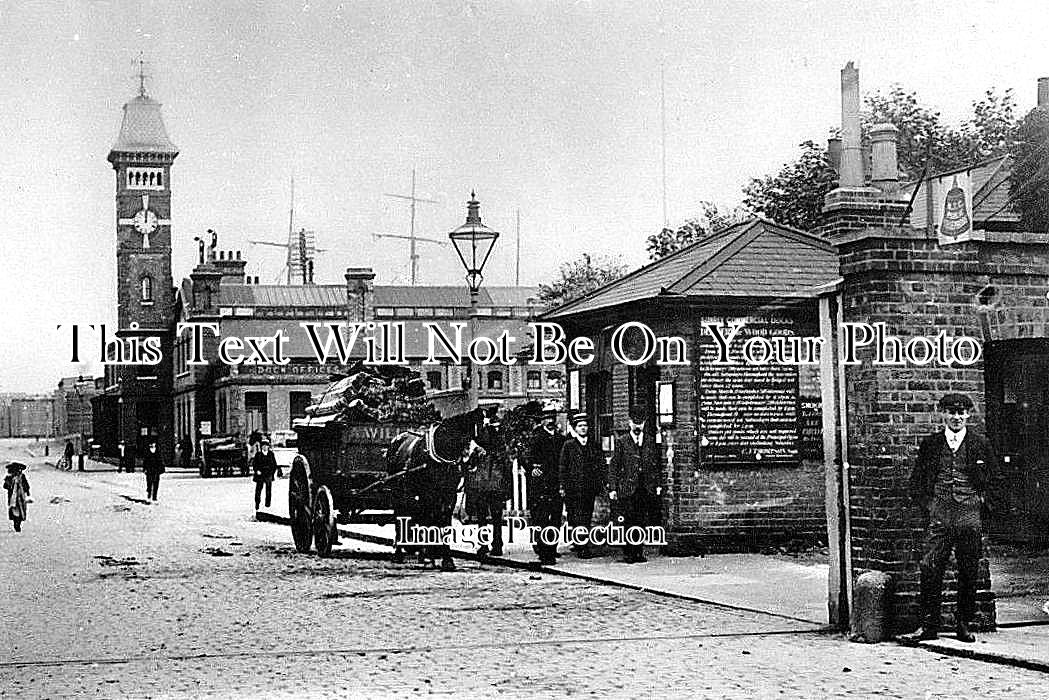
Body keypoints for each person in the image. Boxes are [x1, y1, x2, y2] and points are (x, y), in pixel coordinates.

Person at [899, 393, 995, 644]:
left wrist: (981, 503)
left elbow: (995, 480)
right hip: (940, 515)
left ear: (968, 415)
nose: (957, 417)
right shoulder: (931, 444)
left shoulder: (979, 444)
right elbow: (917, 483)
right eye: (952, 412)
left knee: (968, 569)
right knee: (930, 567)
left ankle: (962, 623)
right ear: (943, 414)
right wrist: (930, 506)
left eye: (962, 413)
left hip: (968, 516)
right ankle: (929, 624)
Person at [607, 406, 662, 563]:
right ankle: (628, 552)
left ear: (644, 423)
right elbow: (614, 466)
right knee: (628, 520)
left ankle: (638, 551)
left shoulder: (650, 441)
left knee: (641, 520)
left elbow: (654, 464)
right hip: (627, 488)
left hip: (644, 487)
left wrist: (657, 484)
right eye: (635, 422)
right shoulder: (621, 442)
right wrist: (613, 487)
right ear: (629, 423)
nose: (637, 426)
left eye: (640, 423)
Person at [464, 408, 512, 558]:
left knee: (489, 514)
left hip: (489, 480)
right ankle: (490, 544)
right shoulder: (487, 435)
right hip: (487, 481)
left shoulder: (490, 434)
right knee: (488, 514)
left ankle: (491, 544)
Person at [560, 412, 605, 558]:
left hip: (588, 488)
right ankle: (580, 545)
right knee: (575, 516)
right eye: (580, 426)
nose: (583, 428)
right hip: (573, 488)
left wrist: (599, 484)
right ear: (575, 428)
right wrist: (563, 486)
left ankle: (581, 543)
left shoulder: (594, 445)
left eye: (585, 425)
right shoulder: (569, 446)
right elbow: (563, 467)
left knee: (585, 516)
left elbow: (600, 465)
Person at [526, 403, 565, 565]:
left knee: (555, 517)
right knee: (541, 518)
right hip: (540, 485)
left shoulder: (561, 439)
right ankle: (543, 551)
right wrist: (531, 469)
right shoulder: (535, 438)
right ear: (541, 421)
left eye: (552, 418)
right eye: (547, 418)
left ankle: (552, 548)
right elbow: (525, 457)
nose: (550, 421)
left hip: (556, 483)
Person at [252, 437, 279, 512]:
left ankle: (268, 504)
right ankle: (257, 503)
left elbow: (274, 464)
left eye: (266, 446)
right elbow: (254, 464)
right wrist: (257, 470)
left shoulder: (271, 454)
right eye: (263, 446)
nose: (264, 447)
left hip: (268, 474)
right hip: (260, 475)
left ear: (268, 446)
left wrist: (272, 472)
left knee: (268, 490)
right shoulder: (258, 454)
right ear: (261, 447)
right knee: (258, 490)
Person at [4, 462, 31, 532]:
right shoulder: (9, 477)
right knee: (14, 511)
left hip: (21, 497)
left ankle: (18, 523)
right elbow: (5, 486)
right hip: (12, 498)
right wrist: (9, 484)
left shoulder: (22, 477)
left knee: (21, 510)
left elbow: (26, 486)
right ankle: (16, 524)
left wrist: (27, 492)